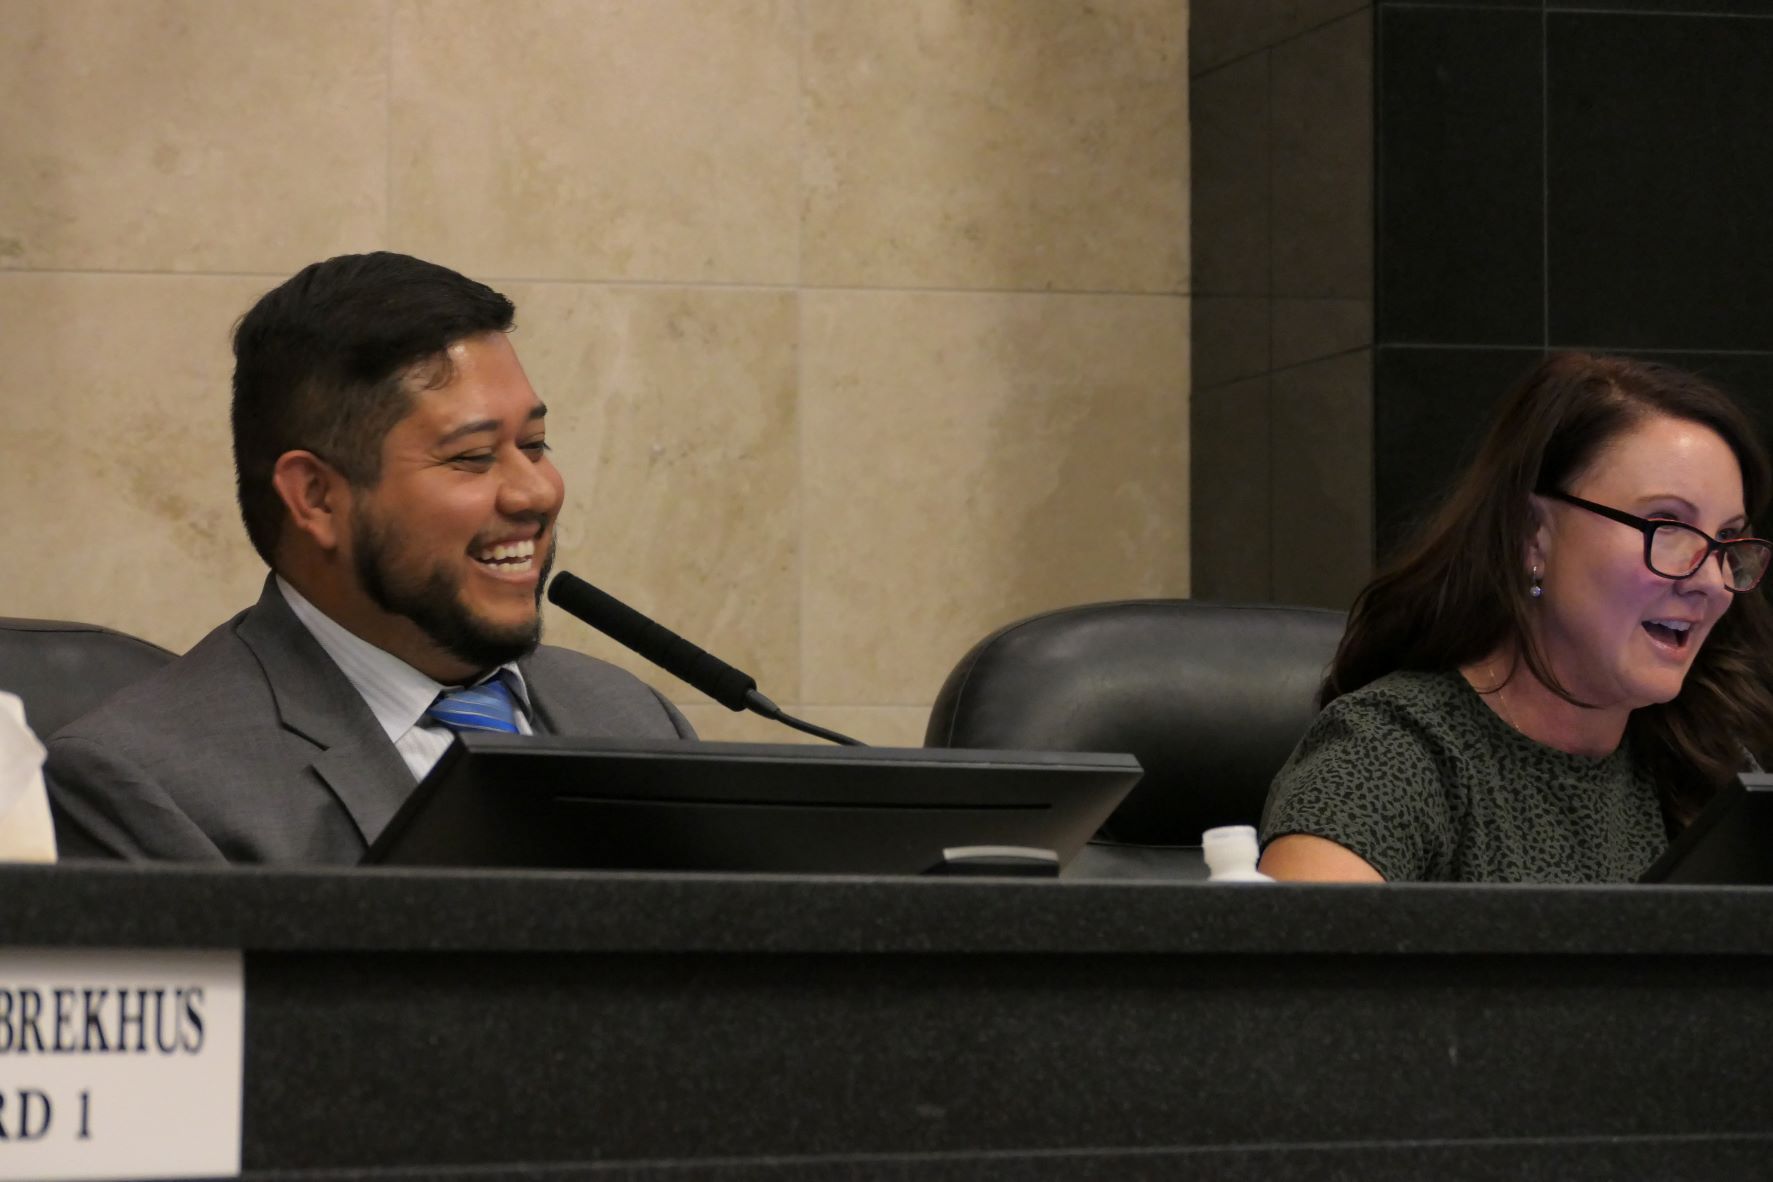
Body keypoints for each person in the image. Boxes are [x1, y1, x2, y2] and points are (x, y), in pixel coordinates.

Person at [47, 252, 693, 863]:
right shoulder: (145, 783)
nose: (536, 491)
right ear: (317, 496)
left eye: (535, 444)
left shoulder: (634, 719)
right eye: (471, 456)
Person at [1260, 352, 1773, 883]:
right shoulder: (1388, 755)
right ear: (1533, 535)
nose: (1711, 582)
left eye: (1729, 541)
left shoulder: (1708, 761)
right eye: (1667, 526)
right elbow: (1310, 957)